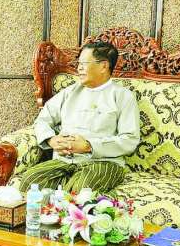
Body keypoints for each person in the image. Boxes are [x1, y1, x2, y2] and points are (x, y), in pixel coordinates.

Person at [19, 41, 140, 195]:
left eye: (84, 63)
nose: (79, 68)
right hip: (64, 160)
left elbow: (130, 140)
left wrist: (88, 146)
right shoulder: (69, 92)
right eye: (79, 63)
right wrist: (51, 140)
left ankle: (65, 197)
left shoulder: (122, 96)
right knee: (30, 181)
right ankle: (59, 198)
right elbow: (42, 120)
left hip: (102, 162)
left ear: (103, 66)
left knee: (81, 190)